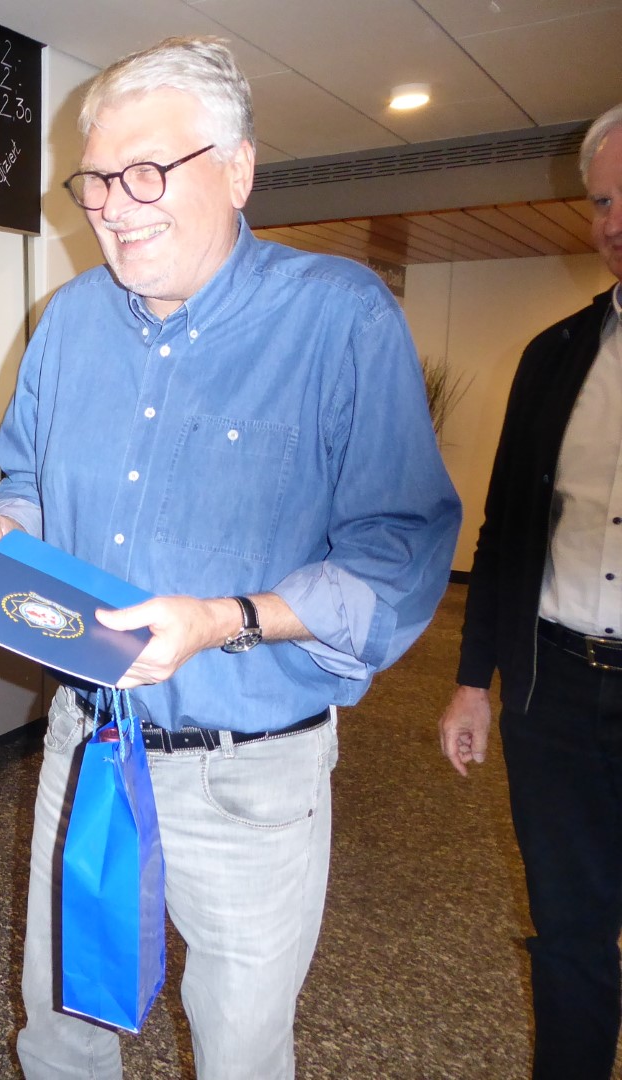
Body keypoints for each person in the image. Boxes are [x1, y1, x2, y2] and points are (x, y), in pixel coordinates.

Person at [0, 37, 460, 1080]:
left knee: (240, 1052)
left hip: (250, 778)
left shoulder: (338, 317)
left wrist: (223, 620)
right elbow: (28, 477)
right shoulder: (68, 323)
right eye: (98, 179)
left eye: (147, 171)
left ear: (237, 170)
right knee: (61, 1030)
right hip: (87, 743)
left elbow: (400, 553)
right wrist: (9, 526)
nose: (115, 205)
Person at [438, 102, 622, 1080]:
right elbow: (505, 533)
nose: (615, 221)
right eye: (603, 201)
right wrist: (474, 683)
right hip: (554, 690)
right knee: (570, 929)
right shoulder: (556, 355)